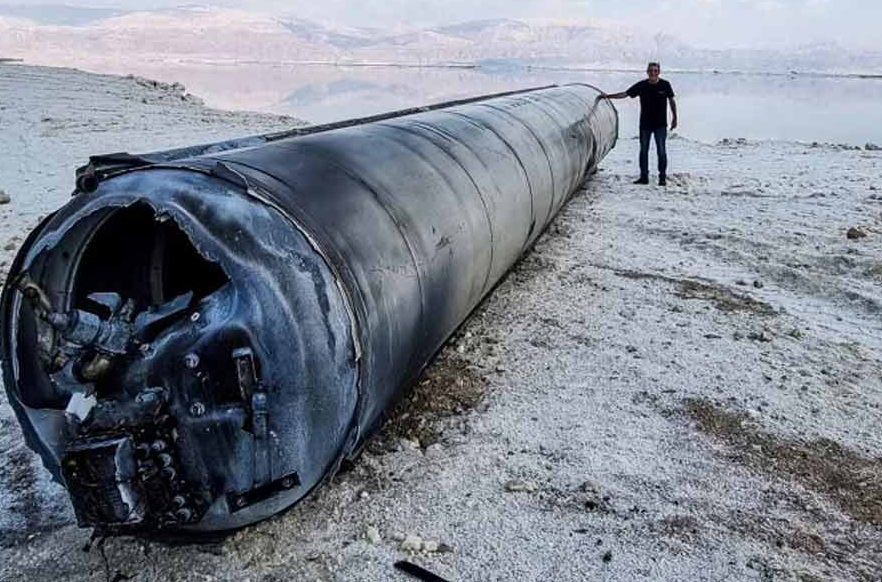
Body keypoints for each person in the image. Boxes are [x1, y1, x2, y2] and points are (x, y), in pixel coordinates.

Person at [597, 62, 678, 186]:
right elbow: (625, 94)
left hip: (660, 125)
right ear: (647, 72)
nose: (653, 73)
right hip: (645, 124)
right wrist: (608, 96)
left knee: (661, 151)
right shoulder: (642, 85)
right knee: (643, 151)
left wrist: (674, 118)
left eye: (655, 71)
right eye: (650, 70)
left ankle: (662, 178)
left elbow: (671, 101)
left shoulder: (665, 85)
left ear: (659, 72)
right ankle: (644, 177)